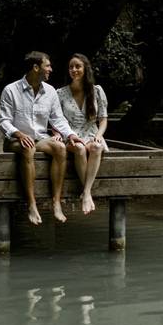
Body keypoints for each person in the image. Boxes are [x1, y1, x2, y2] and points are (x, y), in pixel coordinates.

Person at [0, 51, 82, 225]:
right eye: (47, 66)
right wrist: (19, 134)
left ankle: (56, 202)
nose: (51, 69)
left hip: (40, 138)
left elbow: (58, 119)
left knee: (60, 148)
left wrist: (71, 134)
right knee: (28, 147)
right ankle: (32, 204)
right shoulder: (11, 90)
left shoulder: (50, 92)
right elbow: (4, 121)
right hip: (15, 140)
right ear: (36, 68)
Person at [56, 53, 108, 215]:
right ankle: (87, 193)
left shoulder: (97, 91)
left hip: (92, 132)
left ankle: (86, 192)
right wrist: (57, 132)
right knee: (79, 148)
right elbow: (55, 118)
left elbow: (103, 119)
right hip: (70, 135)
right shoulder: (60, 93)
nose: (74, 70)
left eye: (78, 66)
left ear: (85, 69)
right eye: (71, 67)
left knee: (96, 148)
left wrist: (99, 134)